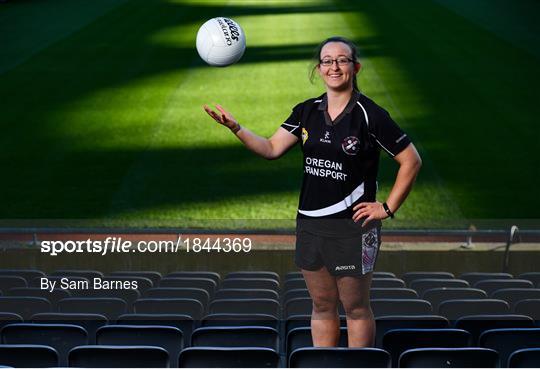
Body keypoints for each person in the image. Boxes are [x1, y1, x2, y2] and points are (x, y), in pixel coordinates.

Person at [203, 36, 422, 347]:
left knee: (356, 309)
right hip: (310, 225)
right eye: (327, 60)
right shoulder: (306, 111)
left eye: (342, 60)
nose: (334, 66)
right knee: (321, 306)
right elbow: (270, 148)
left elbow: (411, 160)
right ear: (319, 69)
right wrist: (236, 128)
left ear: (355, 67)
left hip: (353, 228)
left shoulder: (370, 114)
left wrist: (386, 208)